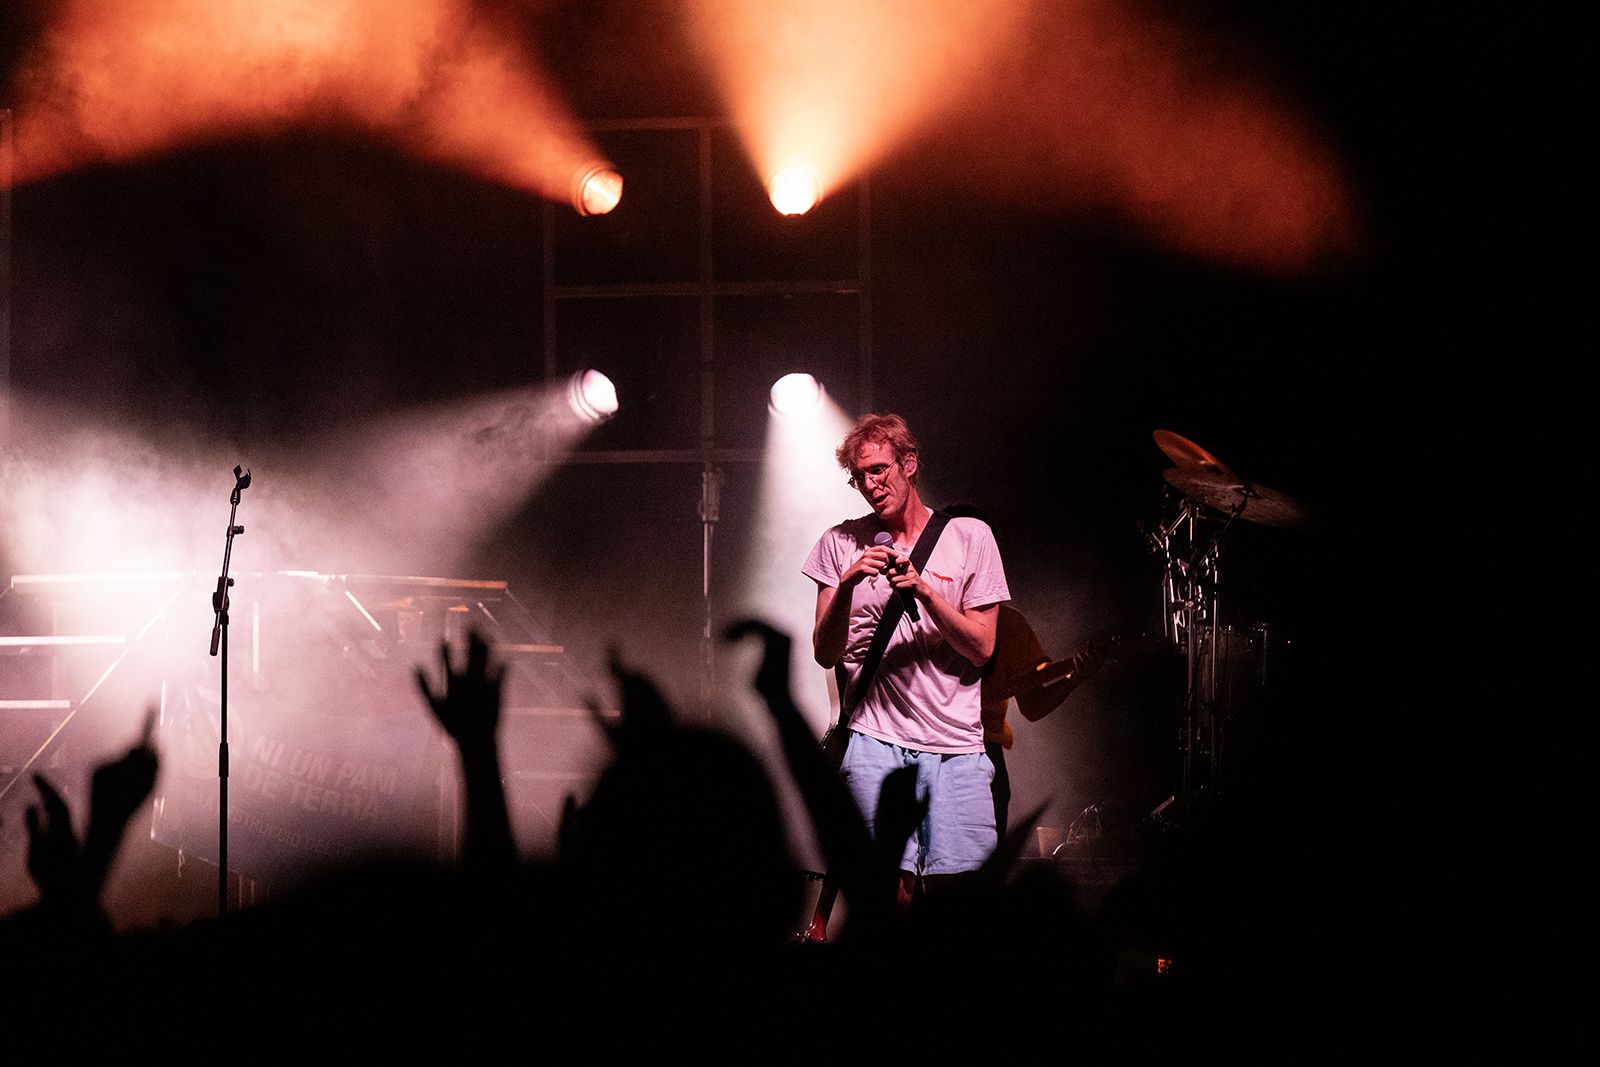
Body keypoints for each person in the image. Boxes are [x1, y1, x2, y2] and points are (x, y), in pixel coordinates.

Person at [804, 413, 1009, 901]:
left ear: (909, 464)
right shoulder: (839, 542)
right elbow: (824, 652)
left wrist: (925, 592)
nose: (870, 485)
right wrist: (847, 585)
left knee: (962, 894)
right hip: (875, 739)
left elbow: (983, 647)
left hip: (957, 744)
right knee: (883, 891)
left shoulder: (971, 537)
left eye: (879, 470)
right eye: (859, 477)